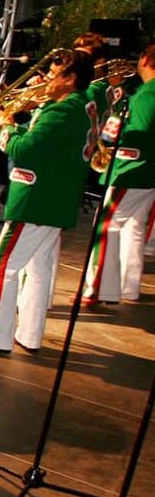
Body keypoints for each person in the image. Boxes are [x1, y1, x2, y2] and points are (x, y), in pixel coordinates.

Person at [0, 50, 95, 355]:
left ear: (69, 79)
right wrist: (16, 126)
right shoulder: (81, 106)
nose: (45, 80)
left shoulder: (61, 111)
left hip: (36, 200)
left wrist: (3, 128)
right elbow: (45, 143)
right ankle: (30, 334)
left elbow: (26, 151)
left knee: (4, 266)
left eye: (53, 74)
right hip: (56, 200)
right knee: (39, 267)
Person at [83, 42, 155, 305]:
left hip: (131, 170)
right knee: (134, 228)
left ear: (146, 59)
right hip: (147, 172)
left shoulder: (148, 95)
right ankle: (127, 287)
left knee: (105, 227)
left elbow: (141, 130)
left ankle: (98, 289)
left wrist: (115, 131)